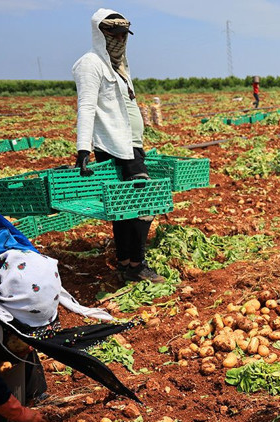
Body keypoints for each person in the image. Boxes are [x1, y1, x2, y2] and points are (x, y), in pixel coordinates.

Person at [0, 194, 136, 422]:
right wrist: (20, 414)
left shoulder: (28, 261)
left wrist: (27, 339)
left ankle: (36, 390)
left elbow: (31, 314)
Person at [72, 9, 164, 284]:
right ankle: (137, 266)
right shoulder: (90, 64)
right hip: (115, 145)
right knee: (143, 205)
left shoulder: (119, 64)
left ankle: (126, 262)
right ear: (100, 34)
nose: (120, 40)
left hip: (131, 144)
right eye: (114, 35)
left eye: (124, 35)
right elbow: (86, 107)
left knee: (124, 207)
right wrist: (82, 149)